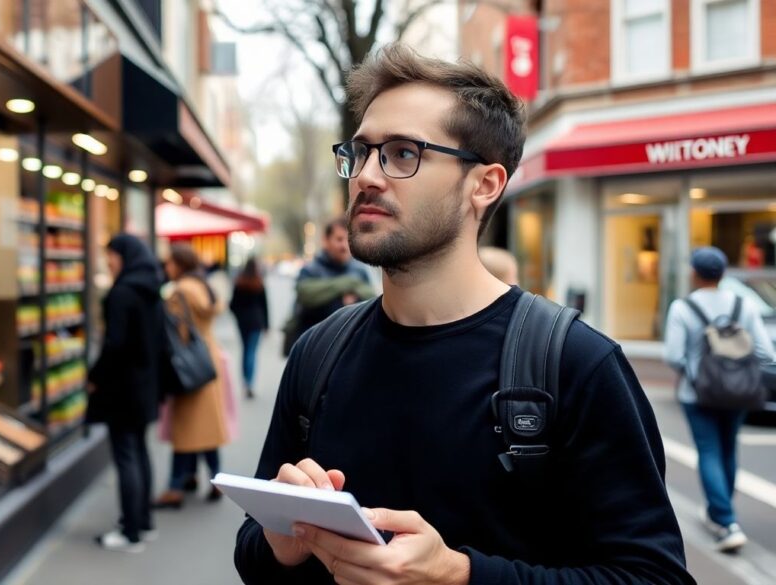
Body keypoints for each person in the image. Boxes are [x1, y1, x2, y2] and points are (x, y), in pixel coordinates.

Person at [234, 44, 692, 584]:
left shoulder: (575, 364)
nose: (366, 176)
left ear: (484, 185)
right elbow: (253, 550)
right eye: (360, 152)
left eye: (402, 153)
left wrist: (459, 575)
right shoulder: (319, 352)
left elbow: (654, 576)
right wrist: (281, 544)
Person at [663, 246, 775, 552]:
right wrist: (737, 368)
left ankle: (725, 522)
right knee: (727, 449)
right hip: (738, 393)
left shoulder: (683, 308)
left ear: (694, 273)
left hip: (697, 394)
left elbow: (673, 355)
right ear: (723, 274)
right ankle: (720, 510)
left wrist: (697, 371)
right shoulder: (743, 304)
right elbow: (766, 352)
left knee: (709, 451)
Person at [87, 234, 165, 553]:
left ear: (124, 256)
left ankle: (130, 532)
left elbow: (114, 344)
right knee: (140, 452)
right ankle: (143, 523)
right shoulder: (150, 289)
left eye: (111, 255)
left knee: (126, 456)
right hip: (146, 386)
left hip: (122, 389)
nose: (108, 262)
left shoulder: (121, 293)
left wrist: (95, 376)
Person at [155, 243, 229, 508]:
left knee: (185, 430)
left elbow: (179, 333)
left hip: (188, 364)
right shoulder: (203, 285)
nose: (166, 267)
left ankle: (175, 487)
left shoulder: (180, 292)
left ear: (180, 264)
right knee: (205, 428)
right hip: (207, 359)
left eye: (169, 263)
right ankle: (213, 480)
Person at [284, 218, 375, 354]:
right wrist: (347, 285)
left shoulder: (360, 270)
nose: (344, 246)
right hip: (314, 348)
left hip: (351, 348)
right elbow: (305, 294)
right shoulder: (311, 270)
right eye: (339, 239)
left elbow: (373, 298)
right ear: (326, 241)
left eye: (348, 240)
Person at [230, 258, 270, 399]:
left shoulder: (239, 282)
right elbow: (265, 306)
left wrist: (239, 316)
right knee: (251, 351)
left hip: (243, 322)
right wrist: (267, 325)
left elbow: (232, 305)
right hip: (256, 321)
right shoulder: (259, 283)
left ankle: (245, 382)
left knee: (245, 350)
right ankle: (250, 383)